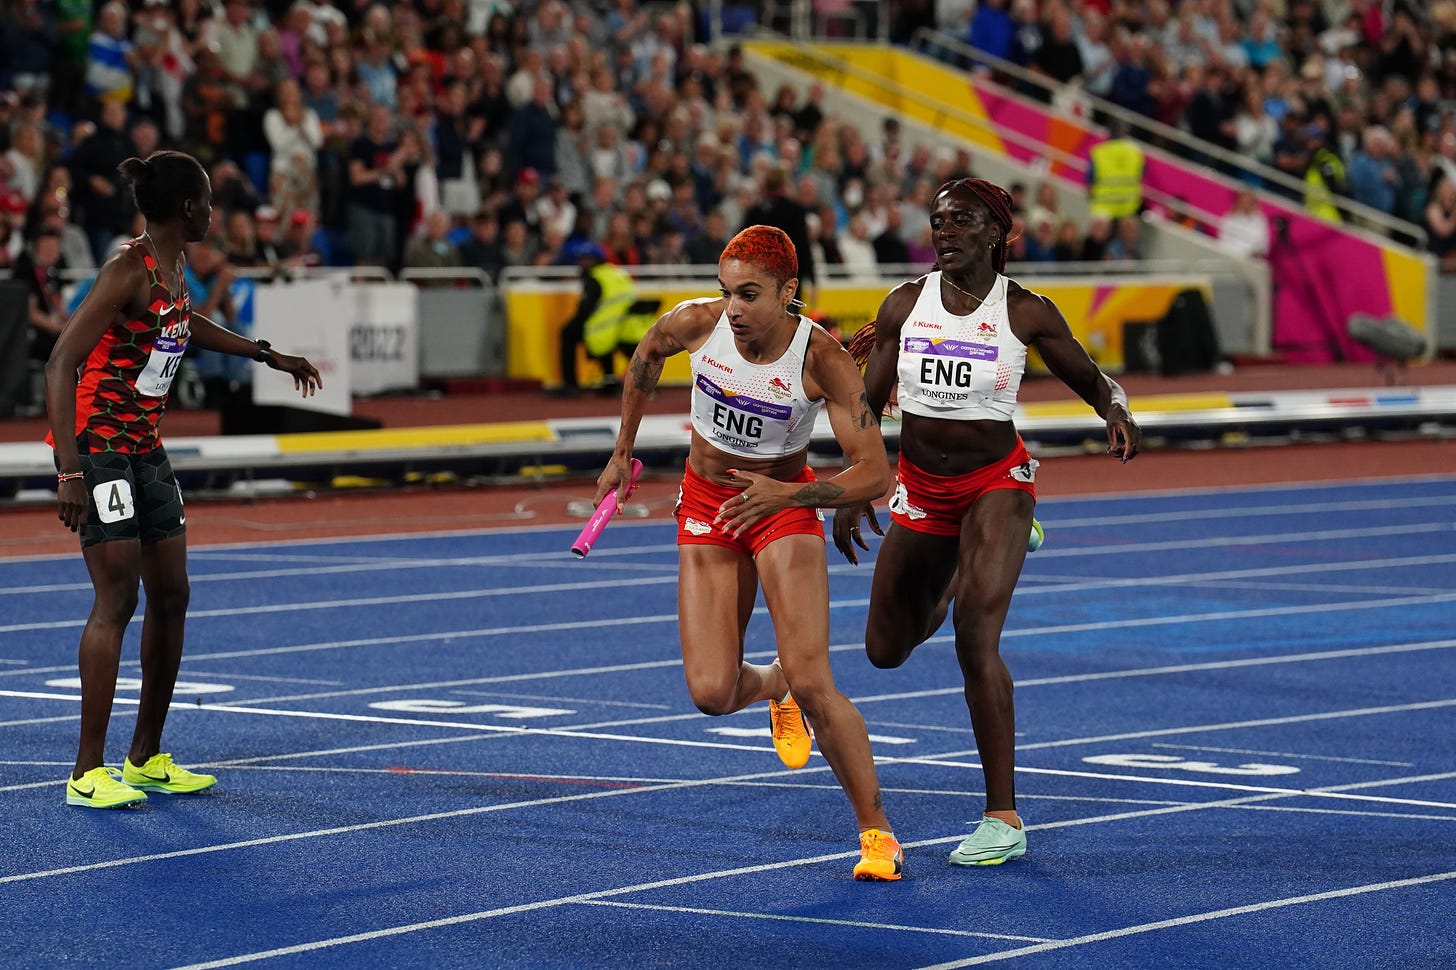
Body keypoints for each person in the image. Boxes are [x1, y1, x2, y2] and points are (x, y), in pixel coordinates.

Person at [834, 178, 1141, 867]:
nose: (945, 232)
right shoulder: (903, 305)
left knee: (976, 637)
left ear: (996, 234)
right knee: (886, 649)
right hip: (921, 488)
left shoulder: (1024, 312)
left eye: (962, 222)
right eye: (939, 221)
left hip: (996, 485)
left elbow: (1093, 380)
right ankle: (959, 576)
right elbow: (867, 404)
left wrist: (1115, 411)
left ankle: (1003, 815)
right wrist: (856, 483)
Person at [591, 225, 904, 881]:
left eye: (750, 294)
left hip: (782, 506)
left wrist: (796, 496)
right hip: (709, 503)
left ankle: (878, 836)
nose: (733, 308)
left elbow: (874, 472)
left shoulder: (820, 359)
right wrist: (622, 449)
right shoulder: (698, 324)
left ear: (789, 293)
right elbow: (647, 356)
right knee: (710, 691)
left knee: (818, 683)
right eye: (726, 291)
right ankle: (773, 683)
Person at [44, 150, 322, 809]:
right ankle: (87, 771)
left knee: (173, 594)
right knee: (118, 599)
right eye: (207, 203)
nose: (215, 213)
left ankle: (144, 756)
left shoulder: (173, 265)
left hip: (144, 445)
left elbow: (179, 323)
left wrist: (264, 353)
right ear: (184, 210)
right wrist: (70, 472)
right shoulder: (124, 269)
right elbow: (59, 364)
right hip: (100, 449)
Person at [546, 239, 637, 398]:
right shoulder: (616, 272)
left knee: (568, 333)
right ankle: (609, 381)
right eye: (580, 260)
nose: (581, 263)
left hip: (604, 329)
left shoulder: (594, 278)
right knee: (603, 335)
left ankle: (571, 385)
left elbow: (585, 309)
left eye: (584, 259)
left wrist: (577, 322)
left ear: (594, 260)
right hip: (625, 327)